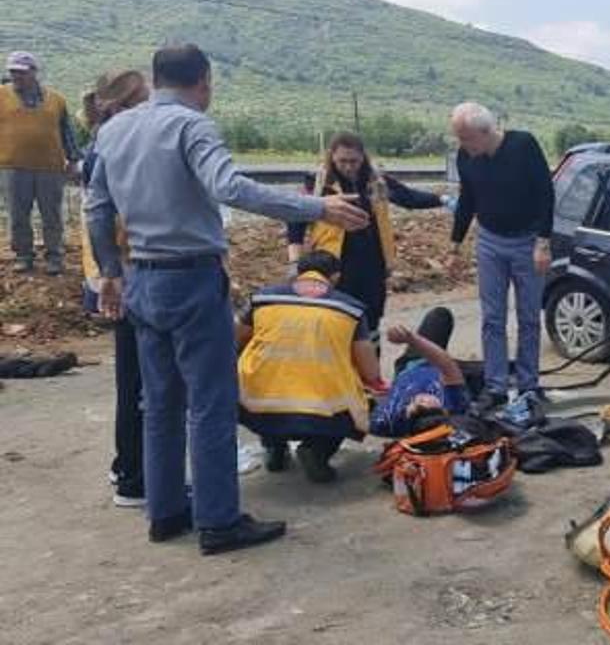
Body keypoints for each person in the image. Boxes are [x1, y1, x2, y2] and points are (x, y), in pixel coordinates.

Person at [85, 44, 369, 555]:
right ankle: (218, 521)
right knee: (210, 403)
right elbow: (229, 187)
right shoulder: (192, 126)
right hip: (192, 278)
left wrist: (109, 272)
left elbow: (96, 209)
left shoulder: (114, 130)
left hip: (141, 278)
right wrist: (317, 208)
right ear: (204, 81)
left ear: (156, 78)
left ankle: (165, 512)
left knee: (159, 403)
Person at [287, 132, 453, 346]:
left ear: (363, 157)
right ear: (332, 156)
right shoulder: (317, 184)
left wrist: (442, 199)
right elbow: (295, 220)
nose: (348, 167)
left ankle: (370, 364)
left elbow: (408, 197)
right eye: (342, 161)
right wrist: (294, 262)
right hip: (333, 266)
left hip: (372, 263)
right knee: (334, 319)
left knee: (370, 319)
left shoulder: (376, 181)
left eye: (354, 161)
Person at [236, 251, 380, 483]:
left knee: (263, 380)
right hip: (322, 411)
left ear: (299, 272)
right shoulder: (350, 309)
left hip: (257, 406)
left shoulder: (263, 298)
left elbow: (235, 342)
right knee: (364, 399)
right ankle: (317, 450)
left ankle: (274, 447)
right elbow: (371, 372)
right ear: (335, 277)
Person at [449, 102, 553, 409]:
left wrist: (543, 242)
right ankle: (495, 386)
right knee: (492, 318)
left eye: (466, 138)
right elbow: (467, 199)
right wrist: (455, 243)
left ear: (485, 131)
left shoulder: (523, 145)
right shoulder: (466, 156)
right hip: (490, 241)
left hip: (528, 242)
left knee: (529, 318)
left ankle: (528, 385)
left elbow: (546, 193)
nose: (463, 145)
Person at [79, 70, 150, 508]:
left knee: (133, 375)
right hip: (129, 273)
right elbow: (105, 217)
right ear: (125, 105)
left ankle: (127, 465)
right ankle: (134, 477)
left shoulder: (102, 144)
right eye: (145, 98)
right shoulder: (116, 145)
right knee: (141, 379)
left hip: (116, 272)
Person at [1, 51, 81, 275]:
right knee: (18, 215)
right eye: (13, 72)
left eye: (21, 72)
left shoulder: (57, 100)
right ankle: (23, 256)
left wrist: (73, 160)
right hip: (12, 166)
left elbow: (67, 132)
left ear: (34, 72)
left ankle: (55, 256)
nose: (16, 76)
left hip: (50, 167)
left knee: (51, 215)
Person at [371, 308, 471, 438]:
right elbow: (446, 365)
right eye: (432, 408)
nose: (423, 400)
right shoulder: (453, 406)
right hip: (449, 370)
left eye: (418, 408)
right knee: (493, 377)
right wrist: (412, 339)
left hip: (414, 364)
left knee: (438, 315)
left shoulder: (384, 422)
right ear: (444, 411)